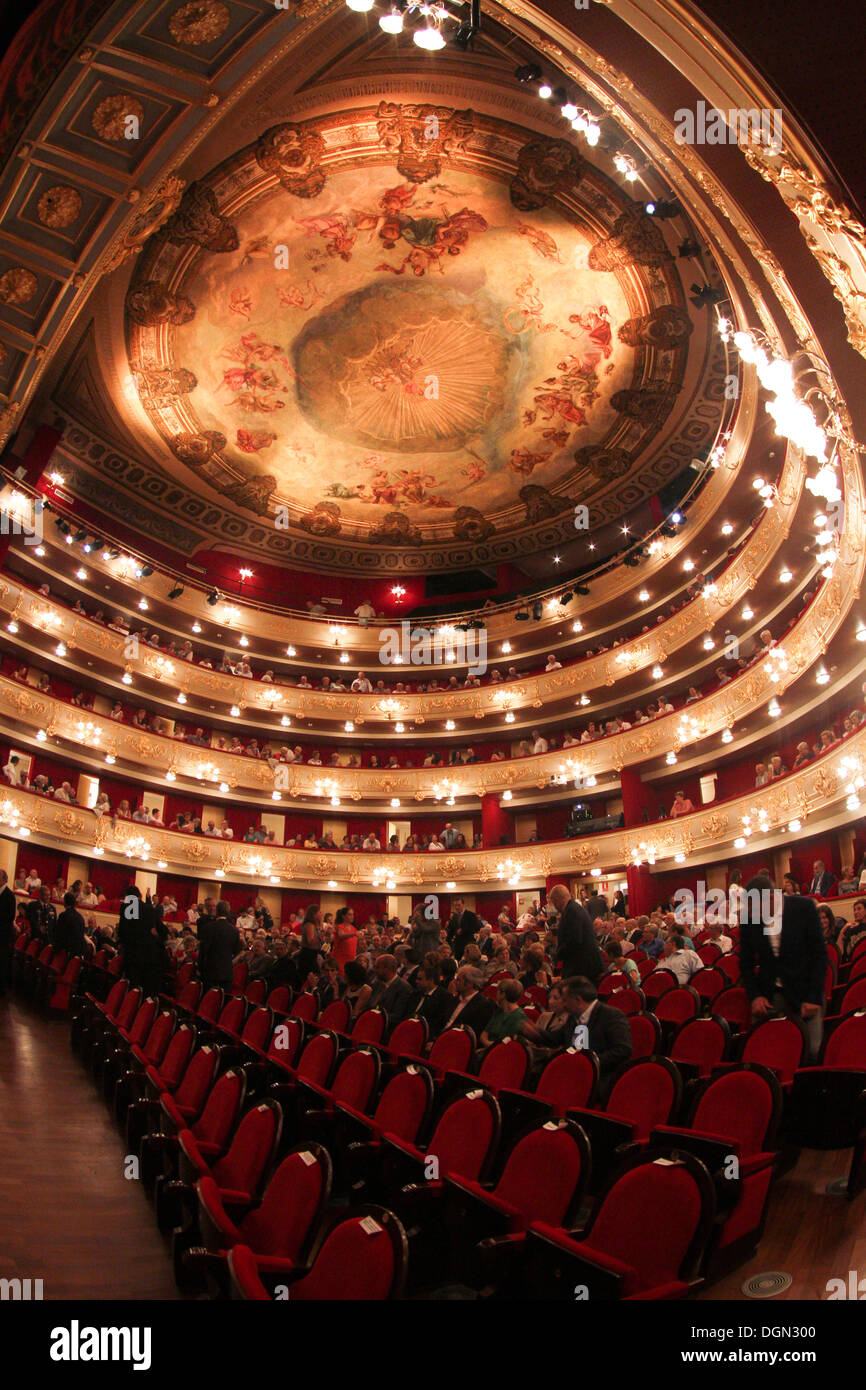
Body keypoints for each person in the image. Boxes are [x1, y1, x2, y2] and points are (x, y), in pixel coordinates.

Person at [739, 885, 827, 1063]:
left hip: (805, 992)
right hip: (771, 995)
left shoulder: (803, 907)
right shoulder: (750, 919)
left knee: (812, 1052)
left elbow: (819, 955)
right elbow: (745, 964)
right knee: (764, 1055)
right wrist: (755, 996)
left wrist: (813, 997)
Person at [525, 976, 632, 1099]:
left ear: (577, 1000)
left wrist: (588, 1063)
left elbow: (623, 1050)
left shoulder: (611, 1016)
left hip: (600, 1078)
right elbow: (555, 1039)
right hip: (573, 1074)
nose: (563, 1005)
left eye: (565, 1000)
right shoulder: (574, 1017)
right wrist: (533, 1032)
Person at [548, 883, 603, 982]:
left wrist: (558, 953)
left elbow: (574, 940)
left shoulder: (572, 911)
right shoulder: (574, 908)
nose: (555, 907)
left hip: (582, 967)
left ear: (558, 899)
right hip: (582, 964)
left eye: (554, 902)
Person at [198, 900, 241, 991]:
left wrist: (200, 967)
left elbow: (203, 949)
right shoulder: (234, 930)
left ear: (216, 910)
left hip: (210, 971)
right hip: (226, 972)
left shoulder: (209, 927)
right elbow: (237, 950)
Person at [442, 965, 495, 1035]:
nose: (454, 982)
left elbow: (473, 1033)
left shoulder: (483, 1005)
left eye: (458, 980)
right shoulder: (455, 999)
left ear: (469, 984)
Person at [368, 954, 414, 1024]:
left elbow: (397, 1016)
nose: (374, 970)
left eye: (377, 967)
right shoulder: (377, 984)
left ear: (388, 968)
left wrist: (376, 1017)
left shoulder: (403, 988)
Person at [480, 979, 527, 1045]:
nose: (496, 993)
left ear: (503, 994)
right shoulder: (500, 1011)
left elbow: (506, 1043)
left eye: (498, 991)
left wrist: (490, 1046)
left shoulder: (518, 1016)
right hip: (489, 1048)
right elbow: (484, 1034)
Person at [410, 964, 452, 1039]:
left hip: (426, 1035)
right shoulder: (416, 994)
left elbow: (438, 1023)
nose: (416, 981)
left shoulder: (444, 997)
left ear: (431, 980)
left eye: (420, 979)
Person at [54, 891, 87, 958]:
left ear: (65, 902)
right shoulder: (80, 917)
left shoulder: (63, 916)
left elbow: (59, 934)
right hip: (78, 951)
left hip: (66, 952)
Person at [0, 869, 16, 994]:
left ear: (5, 879)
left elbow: (10, 916)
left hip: (3, 933)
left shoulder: (9, 895)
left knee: (2, 960)